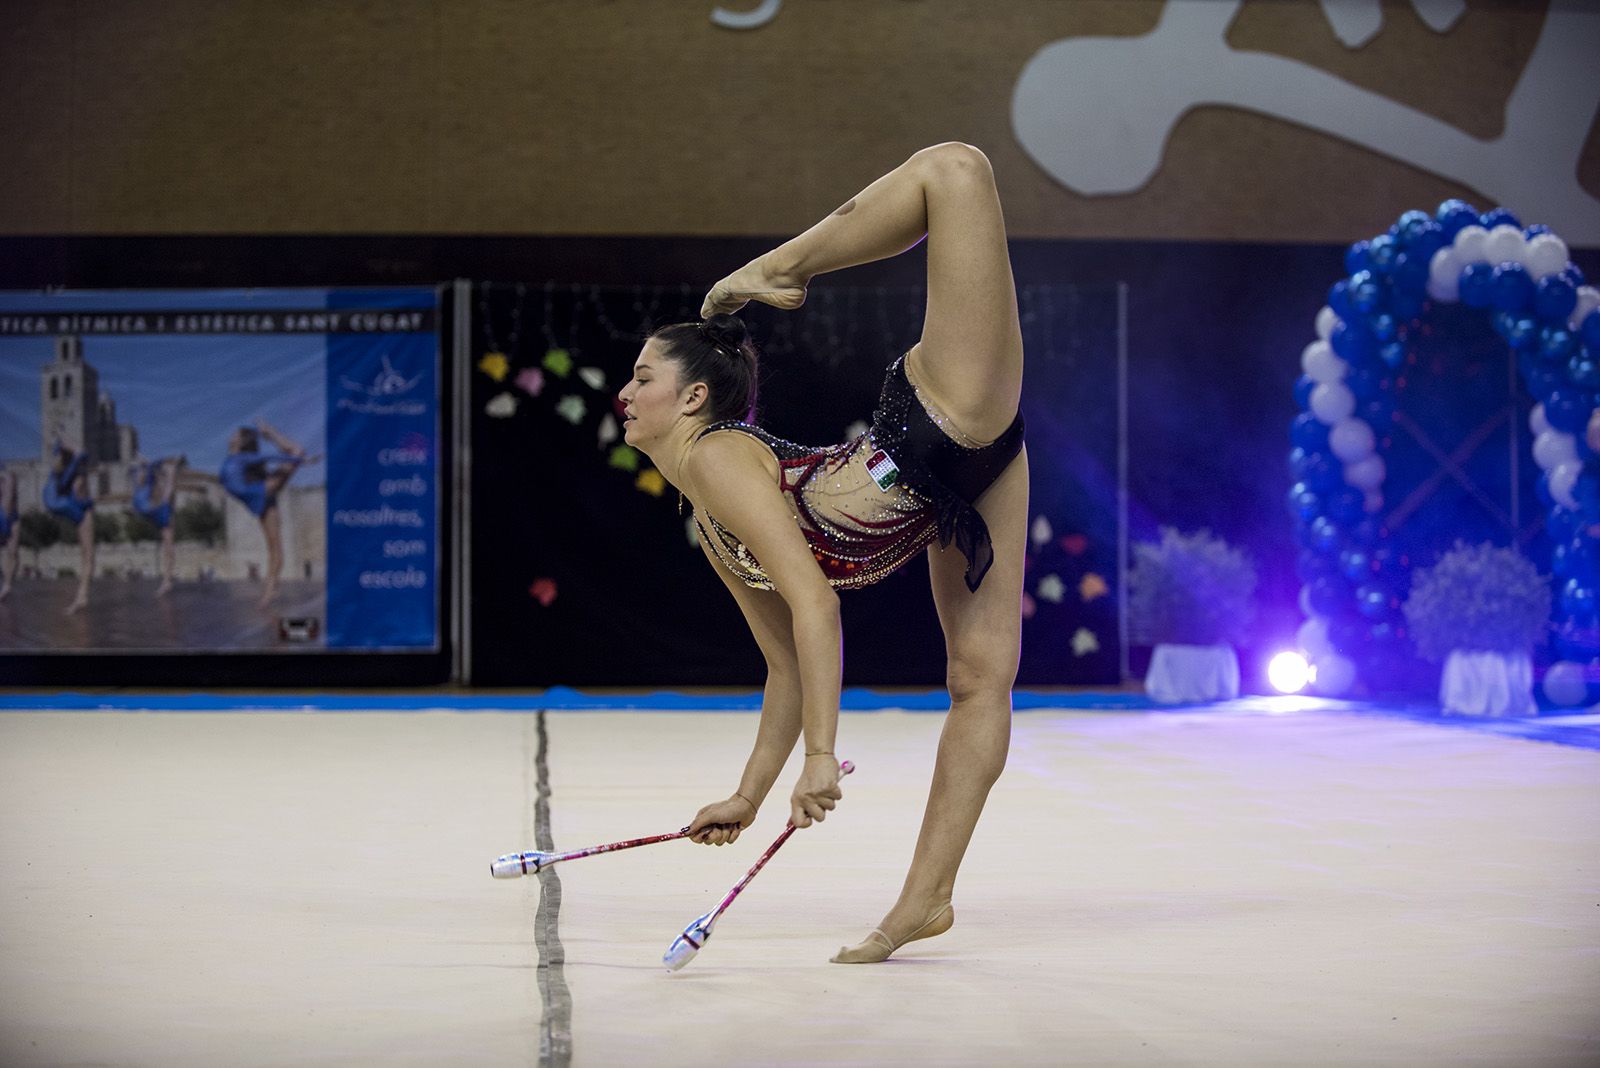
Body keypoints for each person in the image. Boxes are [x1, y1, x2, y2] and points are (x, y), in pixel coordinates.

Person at [617, 142, 1027, 964]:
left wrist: (819, 759)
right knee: (979, 682)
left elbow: (817, 604)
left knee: (955, 169)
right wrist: (747, 795)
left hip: (939, 417)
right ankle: (928, 899)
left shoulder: (716, 457)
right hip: (968, 477)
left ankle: (780, 267)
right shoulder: (710, 519)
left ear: (693, 397)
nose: (625, 394)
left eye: (641, 378)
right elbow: (787, 668)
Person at [219, 420, 310, 609]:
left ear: (241, 441)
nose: (231, 435)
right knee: (272, 546)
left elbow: (269, 456)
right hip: (256, 497)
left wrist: (296, 461)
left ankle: (270, 590)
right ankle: (272, 587)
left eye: (235, 434)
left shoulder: (243, 457)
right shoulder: (235, 458)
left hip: (261, 491)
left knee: (297, 452)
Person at [42, 437, 96, 614]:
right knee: (86, 554)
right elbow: (72, 451)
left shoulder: (73, 467)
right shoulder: (61, 472)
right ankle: (82, 596)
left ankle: (82, 596)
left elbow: (81, 453)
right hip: (73, 506)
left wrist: (66, 444)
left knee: (86, 553)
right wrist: (64, 443)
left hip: (80, 506)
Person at [131, 455, 185, 596]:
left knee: (168, 545)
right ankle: (172, 468)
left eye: (142, 473)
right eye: (139, 474)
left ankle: (167, 581)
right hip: (152, 510)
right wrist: (141, 462)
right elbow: (139, 469)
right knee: (166, 489)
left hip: (160, 510)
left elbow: (153, 465)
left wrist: (151, 462)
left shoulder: (148, 479)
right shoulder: (138, 482)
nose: (140, 476)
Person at [0, 465, 19, 601]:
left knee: (13, 552)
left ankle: (7, 584)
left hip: (12, 516)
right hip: (4, 516)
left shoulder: (9, 476)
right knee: (12, 552)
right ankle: (7, 583)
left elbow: (11, 494)